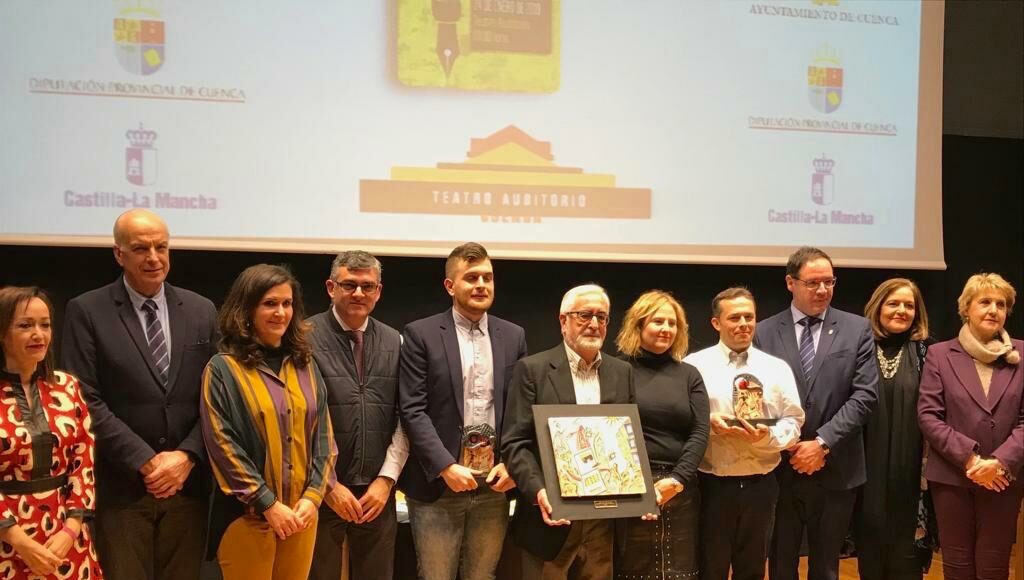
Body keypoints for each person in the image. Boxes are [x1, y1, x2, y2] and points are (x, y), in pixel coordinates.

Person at [60, 209, 217, 580]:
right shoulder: (86, 310)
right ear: (119, 254)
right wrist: (145, 461)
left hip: (187, 487)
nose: (154, 258)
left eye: (161, 247)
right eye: (141, 248)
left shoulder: (202, 310)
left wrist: (187, 456)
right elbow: (83, 397)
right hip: (123, 489)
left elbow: (216, 398)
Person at [398, 242, 528, 580]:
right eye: (471, 277)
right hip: (440, 484)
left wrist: (511, 463)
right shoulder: (421, 334)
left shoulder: (513, 336)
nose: (482, 285)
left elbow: (520, 409)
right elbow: (412, 409)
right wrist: (445, 466)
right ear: (450, 285)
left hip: (494, 484)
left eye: (488, 277)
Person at [200, 264, 336, 580]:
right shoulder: (222, 369)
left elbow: (324, 439)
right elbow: (222, 446)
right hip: (248, 518)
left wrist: (313, 497)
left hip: (301, 517)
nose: (281, 313)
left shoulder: (306, 365)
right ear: (246, 309)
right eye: (270, 303)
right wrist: (269, 505)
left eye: (287, 304)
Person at [753, 246, 877, 580]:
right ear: (790, 283)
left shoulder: (857, 329)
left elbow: (865, 396)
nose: (822, 290)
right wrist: (791, 444)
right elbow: (757, 398)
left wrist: (822, 444)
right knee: (780, 565)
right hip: (780, 468)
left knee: (826, 567)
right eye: (812, 283)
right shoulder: (763, 332)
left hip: (837, 466)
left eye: (829, 282)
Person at [503, 284, 637, 579]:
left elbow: (628, 442)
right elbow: (515, 443)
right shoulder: (532, 370)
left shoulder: (622, 372)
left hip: (604, 522)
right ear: (563, 321)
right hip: (549, 519)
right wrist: (539, 491)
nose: (594, 324)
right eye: (584, 315)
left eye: (602, 317)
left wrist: (639, 493)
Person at [685, 287, 804, 580]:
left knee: (752, 571)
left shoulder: (776, 368)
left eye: (749, 317)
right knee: (709, 570)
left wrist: (767, 437)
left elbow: (793, 423)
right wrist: (707, 423)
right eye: (734, 317)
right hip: (710, 486)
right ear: (716, 323)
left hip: (760, 486)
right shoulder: (694, 366)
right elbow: (680, 420)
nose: (743, 324)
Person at [308, 251, 408, 580]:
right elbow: (294, 423)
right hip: (318, 492)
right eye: (349, 285)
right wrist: (327, 485)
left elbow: (406, 417)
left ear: (379, 291)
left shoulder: (396, 341)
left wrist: (386, 480)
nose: (359, 293)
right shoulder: (302, 338)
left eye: (368, 286)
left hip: (377, 493)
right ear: (330, 287)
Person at [917, 273, 1023, 580]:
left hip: (1004, 478)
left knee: (994, 565)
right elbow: (929, 415)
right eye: (985, 302)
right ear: (966, 308)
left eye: (1001, 304)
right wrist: (971, 459)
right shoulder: (940, 354)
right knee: (957, 565)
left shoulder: (1022, 354)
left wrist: (999, 463)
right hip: (953, 476)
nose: (993, 310)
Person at [0, 287, 103, 579]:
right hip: (8, 542)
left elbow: (83, 464)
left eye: (44, 325)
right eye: (25, 325)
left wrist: (71, 529)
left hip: (66, 538)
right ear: (2, 333)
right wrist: (19, 541)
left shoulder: (66, 386)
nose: (39, 334)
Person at [614, 290, 709, 579]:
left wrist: (678, 480)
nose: (666, 328)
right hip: (629, 487)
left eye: (673, 323)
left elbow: (699, 430)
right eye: (658, 321)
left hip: (680, 487)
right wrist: (639, 484)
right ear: (638, 324)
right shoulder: (616, 370)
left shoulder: (690, 374)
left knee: (680, 572)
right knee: (631, 571)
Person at [856, 278, 935, 580]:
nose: (902, 310)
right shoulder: (858, 349)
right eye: (893, 303)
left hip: (912, 473)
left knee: (906, 560)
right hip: (865, 470)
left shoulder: (929, 352)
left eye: (909, 305)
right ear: (878, 307)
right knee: (870, 556)